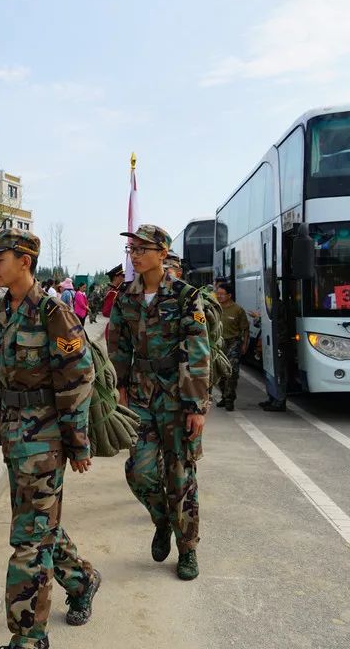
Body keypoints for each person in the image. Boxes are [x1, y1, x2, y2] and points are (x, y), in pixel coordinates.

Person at [0, 228, 101, 649]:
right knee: (39, 524)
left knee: (29, 541)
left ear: (25, 261)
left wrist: (78, 442)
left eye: (0, 258)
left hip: (46, 439)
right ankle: (82, 579)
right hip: (15, 437)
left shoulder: (54, 313)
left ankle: (30, 636)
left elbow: (78, 378)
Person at [108, 224, 210, 581]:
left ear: (162, 253)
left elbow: (197, 350)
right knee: (140, 470)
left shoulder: (185, 295)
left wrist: (196, 406)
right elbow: (117, 345)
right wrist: (118, 386)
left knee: (181, 474)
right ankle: (162, 518)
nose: (134, 254)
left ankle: (188, 549)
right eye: (132, 249)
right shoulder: (126, 296)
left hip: (177, 397)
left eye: (141, 249)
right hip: (139, 394)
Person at [215, 281, 249, 412]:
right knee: (220, 372)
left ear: (229, 295)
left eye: (222, 294)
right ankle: (224, 395)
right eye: (217, 294)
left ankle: (229, 399)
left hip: (233, 343)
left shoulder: (238, 310)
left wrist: (244, 344)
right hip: (218, 343)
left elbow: (245, 329)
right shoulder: (215, 308)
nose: (219, 296)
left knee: (232, 371)